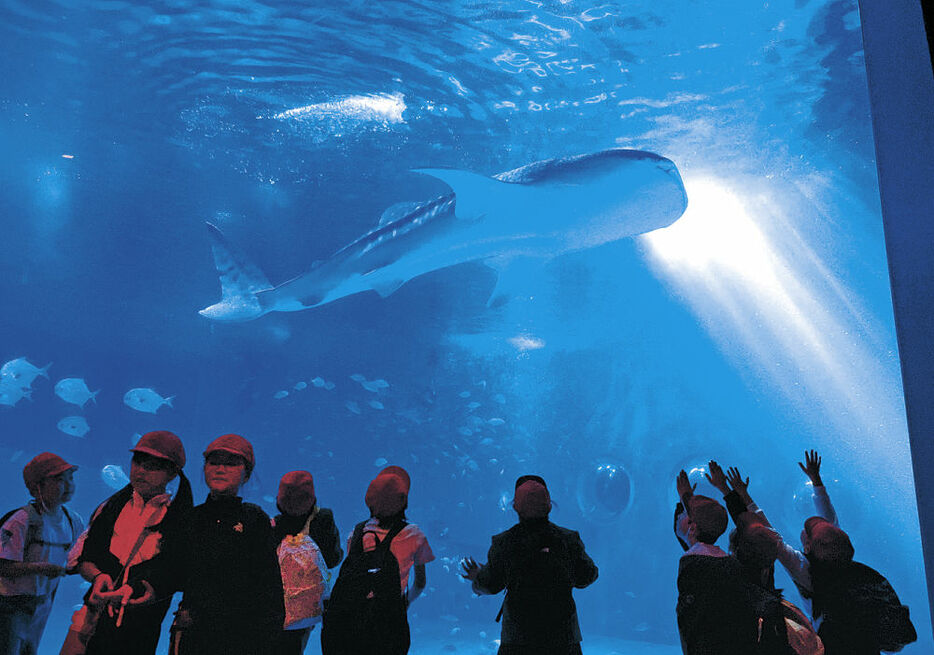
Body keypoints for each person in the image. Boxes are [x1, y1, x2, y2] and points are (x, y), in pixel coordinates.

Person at [66, 431, 191, 655]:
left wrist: (141, 590)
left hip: (139, 633)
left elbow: (175, 574)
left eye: (153, 466)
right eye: (138, 461)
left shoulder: (180, 521)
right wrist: (97, 576)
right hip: (91, 622)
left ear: (172, 473)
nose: (141, 470)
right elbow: (85, 559)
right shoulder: (110, 508)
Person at [461, 475, 598, 655]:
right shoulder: (568, 540)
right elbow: (588, 575)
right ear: (549, 505)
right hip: (563, 640)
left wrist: (478, 576)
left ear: (515, 507)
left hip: (518, 641)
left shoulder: (505, 543)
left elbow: (490, 584)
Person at [174, 434, 284, 655]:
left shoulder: (254, 519)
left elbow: (270, 588)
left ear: (247, 474)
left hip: (242, 637)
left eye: (231, 463)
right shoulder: (190, 519)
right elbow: (174, 574)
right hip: (193, 635)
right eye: (213, 462)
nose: (220, 468)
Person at [321, 469, 433, 655]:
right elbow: (420, 583)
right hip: (389, 624)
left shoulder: (355, 534)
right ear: (403, 501)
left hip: (352, 623)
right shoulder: (415, 535)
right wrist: (406, 601)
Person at [0, 453, 83, 655]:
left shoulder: (73, 521)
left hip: (43, 603)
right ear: (37, 486)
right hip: (10, 605)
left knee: (29, 650)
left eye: (70, 478)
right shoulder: (20, 520)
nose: (68, 485)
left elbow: (78, 557)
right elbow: (3, 566)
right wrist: (41, 569)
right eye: (58, 480)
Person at [674, 470, 759, 654]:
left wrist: (685, 498)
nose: (682, 517)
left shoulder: (692, 565)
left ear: (693, 528)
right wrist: (724, 490)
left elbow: (692, 625)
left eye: (687, 517)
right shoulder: (730, 563)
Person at [272, 471, 342, 654]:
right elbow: (333, 559)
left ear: (279, 500)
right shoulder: (324, 518)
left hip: (279, 605)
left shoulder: (274, 524)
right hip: (311, 603)